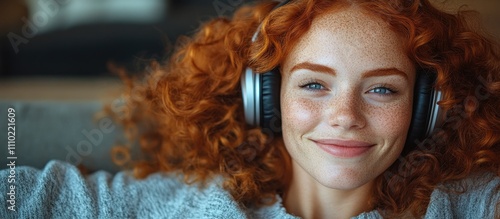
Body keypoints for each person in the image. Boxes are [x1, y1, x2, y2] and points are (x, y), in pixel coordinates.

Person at [1, 0, 500, 218]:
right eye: (313, 85)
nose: (345, 114)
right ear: (266, 99)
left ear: (426, 108)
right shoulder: (176, 207)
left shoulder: (467, 205)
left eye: (382, 90)